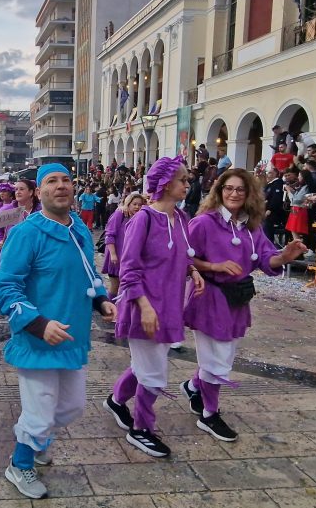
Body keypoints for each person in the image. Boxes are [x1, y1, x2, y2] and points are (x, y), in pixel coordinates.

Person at [0, 163, 116, 499]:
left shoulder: (78, 229)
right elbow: (5, 289)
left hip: (72, 338)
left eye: (66, 180)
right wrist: (38, 323)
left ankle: (37, 438)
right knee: (39, 411)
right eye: (51, 181)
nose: (61, 186)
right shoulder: (26, 233)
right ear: (39, 191)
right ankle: (20, 463)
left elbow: (89, 273)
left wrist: (101, 301)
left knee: (72, 407)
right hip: (37, 341)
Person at [180, 169, 307, 441]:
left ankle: (193, 386)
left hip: (237, 299)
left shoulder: (252, 227)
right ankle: (210, 414)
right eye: (228, 188)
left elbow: (265, 259)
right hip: (209, 297)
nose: (234, 193)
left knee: (222, 355)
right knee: (216, 358)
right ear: (219, 191)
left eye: (240, 189)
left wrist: (285, 255)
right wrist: (214, 265)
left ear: (249, 193)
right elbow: (184, 258)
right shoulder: (204, 223)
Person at [106, 157, 205, 458]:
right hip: (144, 308)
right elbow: (129, 269)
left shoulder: (183, 217)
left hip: (170, 305)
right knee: (154, 373)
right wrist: (145, 307)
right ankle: (141, 429)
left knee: (145, 366)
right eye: (182, 179)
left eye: (188, 179)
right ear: (163, 183)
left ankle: (116, 400)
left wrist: (193, 271)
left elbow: (183, 255)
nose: (188, 184)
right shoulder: (143, 219)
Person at [102, 192, 146, 296]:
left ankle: (121, 310)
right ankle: (110, 310)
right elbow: (109, 235)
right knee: (115, 286)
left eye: (139, 205)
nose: (137, 207)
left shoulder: (139, 217)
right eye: (134, 204)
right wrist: (113, 254)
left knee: (125, 287)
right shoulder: (119, 214)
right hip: (116, 256)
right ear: (128, 203)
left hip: (128, 258)